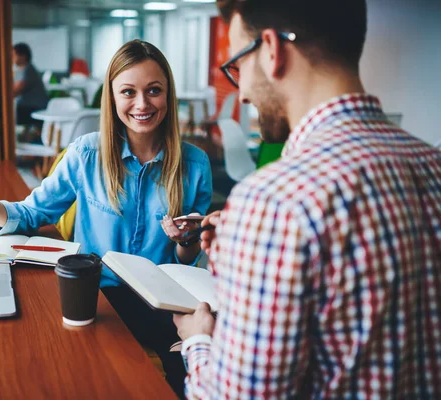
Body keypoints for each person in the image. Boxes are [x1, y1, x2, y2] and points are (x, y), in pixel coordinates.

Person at [0, 39, 213, 398]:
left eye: (154, 91)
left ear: (168, 95)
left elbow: (190, 258)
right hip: (98, 300)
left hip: (164, 306)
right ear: (112, 98)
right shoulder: (86, 153)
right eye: (128, 92)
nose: (142, 104)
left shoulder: (195, 165)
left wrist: (187, 241)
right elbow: (32, 213)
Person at [173, 0, 441, 398]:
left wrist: (199, 341)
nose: (242, 92)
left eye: (237, 67)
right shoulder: (431, 163)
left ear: (271, 50)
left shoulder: (274, 203)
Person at [13, 43, 49, 142]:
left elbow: (15, 91)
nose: (11, 58)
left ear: (23, 56)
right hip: (27, 107)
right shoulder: (21, 70)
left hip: (34, 108)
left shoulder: (28, 70)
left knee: (6, 116)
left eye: (14, 55)